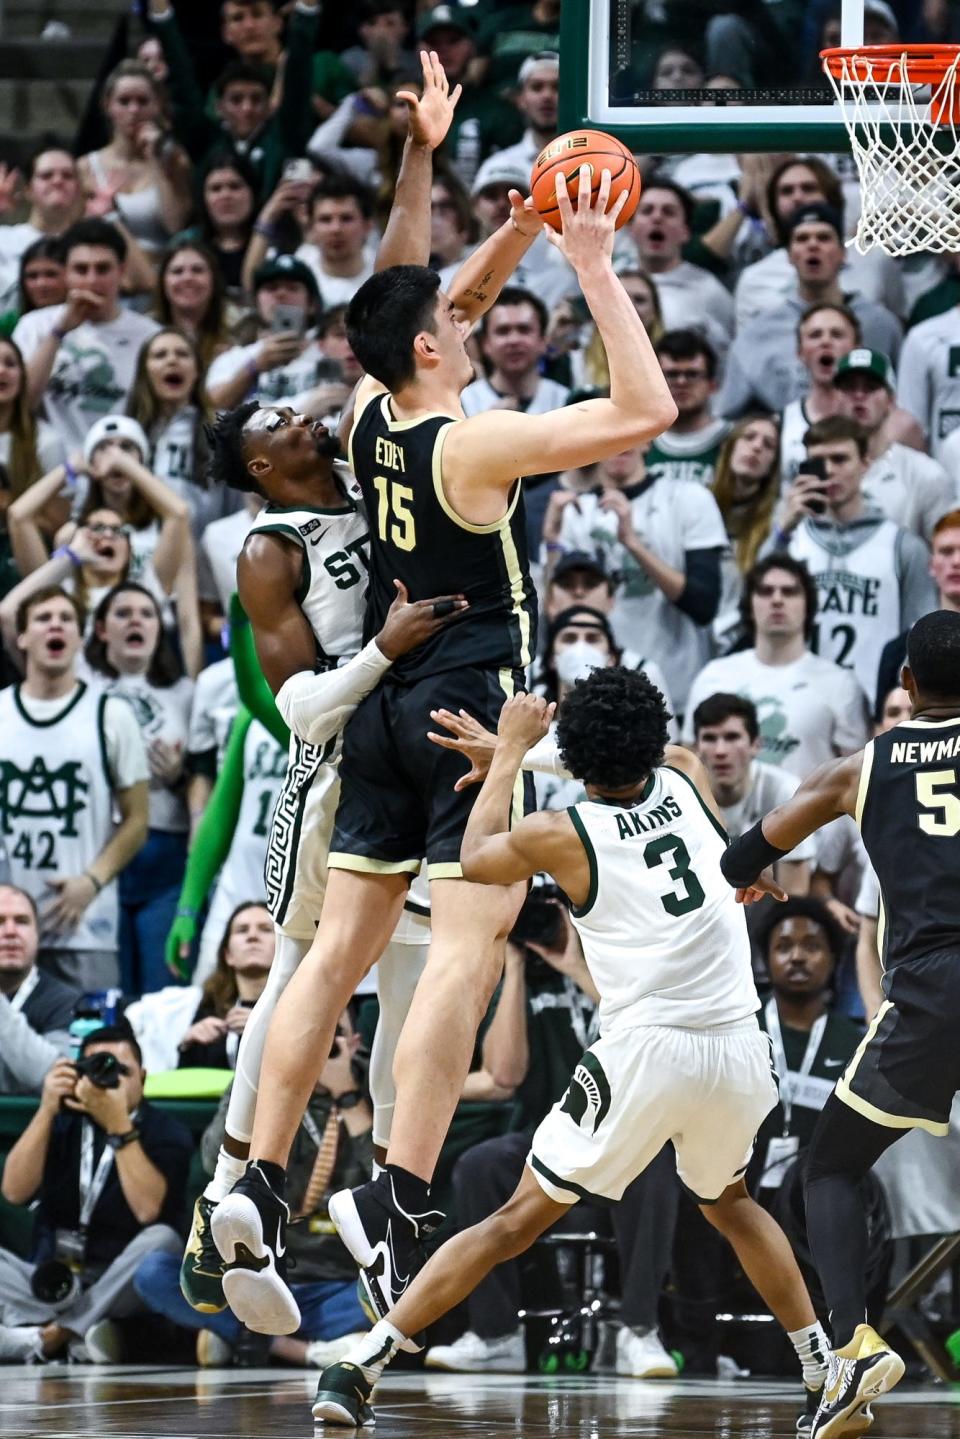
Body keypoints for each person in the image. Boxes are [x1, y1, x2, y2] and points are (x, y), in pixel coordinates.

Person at [212, 165, 677, 1338]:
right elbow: (646, 412)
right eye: (450, 328)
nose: (465, 328)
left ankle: (259, 1175)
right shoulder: (476, 448)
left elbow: (430, 296)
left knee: (327, 959)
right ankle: (398, 1190)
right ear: (428, 350)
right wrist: (590, 266)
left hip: (381, 705)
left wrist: (514, 227)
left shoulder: (366, 414)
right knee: (466, 953)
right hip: (472, 713)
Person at [310, 672, 830, 1430]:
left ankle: (364, 1362)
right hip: (739, 1046)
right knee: (732, 1201)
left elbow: (476, 851)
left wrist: (510, 752)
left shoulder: (563, 833)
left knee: (514, 1219)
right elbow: (623, 761)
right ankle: (822, 1363)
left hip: (646, 1050)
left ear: (576, 758)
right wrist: (522, 751)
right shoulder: (686, 770)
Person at [179, 63, 467, 1320]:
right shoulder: (266, 550)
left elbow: (397, 293)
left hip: (413, 744)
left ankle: (381, 1214)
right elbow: (294, 711)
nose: (304, 406)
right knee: (302, 977)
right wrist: (391, 647)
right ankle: (232, 1199)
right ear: (258, 463)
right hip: (333, 760)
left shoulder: (361, 451)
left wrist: (419, 157)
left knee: (417, 993)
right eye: (278, 414)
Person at [717, 607, 960, 1438]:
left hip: (929, 994)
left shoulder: (867, 764)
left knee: (831, 1165)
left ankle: (853, 1342)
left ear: (904, 685)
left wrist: (759, 874)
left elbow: (744, 852)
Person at [135, 1005, 371, 1368]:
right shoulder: (265, 1090)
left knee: (397, 1292)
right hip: (255, 1275)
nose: (321, 1041)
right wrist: (254, 1078)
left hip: (334, 1282)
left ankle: (247, 1336)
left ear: (354, 1043)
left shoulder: (372, 1089)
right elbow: (216, 1158)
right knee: (154, 1274)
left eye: (334, 1031)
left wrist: (347, 1096)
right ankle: (300, 1349)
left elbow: (383, 1177)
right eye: (313, 1029)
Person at [0, 1024, 192, 1364]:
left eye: (121, 1070)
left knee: (161, 1240)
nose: (109, 1078)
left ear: (143, 1079)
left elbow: (147, 1211)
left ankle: (51, 1336)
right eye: (97, 1069)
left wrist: (119, 1125)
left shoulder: (167, 1131)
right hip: (53, 1282)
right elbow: (14, 1192)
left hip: (119, 1286)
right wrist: (46, 1110)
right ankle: (77, 1332)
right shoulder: (62, 1121)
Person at [0, 586, 149, 990]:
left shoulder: (111, 714)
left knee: (86, 1044)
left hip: (85, 924)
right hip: (6, 925)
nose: (56, 626)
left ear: (80, 637)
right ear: (22, 637)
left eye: (66, 619)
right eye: (44, 619)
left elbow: (138, 820)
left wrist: (92, 881)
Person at [550, 435, 726, 714]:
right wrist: (551, 542)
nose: (619, 441)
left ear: (648, 442)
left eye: (630, 432)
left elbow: (703, 605)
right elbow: (557, 613)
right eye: (609, 433)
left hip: (674, 683)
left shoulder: (689, 498)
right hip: (595, 691)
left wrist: (632, 543)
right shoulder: (575, 511)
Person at [771, 416, 936, 702]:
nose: (830, 471)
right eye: (820, 461)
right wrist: (782, 531)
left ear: (866, 463)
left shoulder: (903, 546)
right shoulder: (792, 539)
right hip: (799, 700)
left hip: (875, 700)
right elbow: (752, 606)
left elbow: (919, 636)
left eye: (840, 459)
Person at [82, 583, 194, 997]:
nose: (135, 620)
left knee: (161, 992)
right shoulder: (78, 682)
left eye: (146, 613)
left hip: (166, 856)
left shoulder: (184, 692)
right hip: (99, 851)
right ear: (100, 628)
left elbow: (207, 792)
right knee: (107, 990)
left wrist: (181, 777)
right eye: (123, 613)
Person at [683, 554, 869, 778]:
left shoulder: (840, 684)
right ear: (749, 604)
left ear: (808, 605)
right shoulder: (713, 676)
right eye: (765, 591)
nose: (777, 600)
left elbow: (855, 778)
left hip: (811, 812)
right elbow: (689, 766)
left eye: (789, 592)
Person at [718, 207, 903, 418]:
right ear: (789, 255)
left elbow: (903, 403)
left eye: (824, 238)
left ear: (843, 254)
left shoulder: (881, 325)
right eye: (802, 239)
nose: (813, 245)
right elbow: (730, 416)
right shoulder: (757, 334)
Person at [145, 0, 320, 204]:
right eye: (236, 100)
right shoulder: (207, 143)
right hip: (208, 235)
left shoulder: (283, 138)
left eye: (256, 99)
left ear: (269, 106)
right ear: (219, 107)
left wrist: (306, 13)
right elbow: (182, 82)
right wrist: (162, 15)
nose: (247, 108)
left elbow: (298, 73)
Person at [12, 219, 160, 451]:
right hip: (52, 467)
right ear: (66, 273)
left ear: (121, 271)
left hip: (123, 467)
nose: (92, 280)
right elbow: (19, 406)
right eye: (81, 269)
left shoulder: (150, 335)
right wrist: (58, 332)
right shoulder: (35, 326)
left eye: (102, 269)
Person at [166, 709, 286, 981]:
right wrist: (188, 908)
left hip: (305, 898)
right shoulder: (251, 713)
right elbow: (221, 812)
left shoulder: (338, 702)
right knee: (209, 1007)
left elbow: (252, 690)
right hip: (238, 889)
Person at [692, 693, 815, 894]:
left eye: (732, 737)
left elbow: (793, 895)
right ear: (697, 747)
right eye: (709, 738)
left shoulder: (784, 790)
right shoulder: (681, 794)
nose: (720, 751)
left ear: (756, 745)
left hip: (768, 917)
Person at [832, 348, 954, 543]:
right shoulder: (816, 470)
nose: (859, 395)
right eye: (849, 387)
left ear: (891, 400)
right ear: (835, 399)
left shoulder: (926, 475)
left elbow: (948, 553)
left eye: (871, 387)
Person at [78, 60, 193, 259]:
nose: (134, 110)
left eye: (142, 101)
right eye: (124, 101)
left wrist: (157, 161)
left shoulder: (175, 158)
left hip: (163, 269)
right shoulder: (85, 167)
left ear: (157, 105)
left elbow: (175, 225)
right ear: (108, 106)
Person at [628, 177, 734, 350]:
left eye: (669, 212)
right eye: (647, 211)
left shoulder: (710, 292)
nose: (657, 218)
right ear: (631, 228)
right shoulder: (611, 282)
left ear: (685, 232)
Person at [875, 508, 960, 714]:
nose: (957, 562)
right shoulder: (897, 651)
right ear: (931, 565)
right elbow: (882, 728)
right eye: (946, 551)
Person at [0, 884, 80, 1098]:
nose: (10, 931)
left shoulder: (66, 1002)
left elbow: (54, 1077)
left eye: (22, 921)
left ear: (38, 935)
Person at [709, 414, 781, 645]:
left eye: (768, 445)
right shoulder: (696, 503)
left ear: (773, 465)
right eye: (749, 438)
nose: (757, 447)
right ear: (728, 448)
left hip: (741, 638)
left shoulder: (776, 520)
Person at [177, 902, 275, 1069]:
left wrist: (265, 1032)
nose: (252, 936)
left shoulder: (302, 1004)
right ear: (228, 955)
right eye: (242, 930)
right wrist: (188, 1046)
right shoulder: (211, 1006)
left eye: (265, 929)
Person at [778, 304, 859, 484]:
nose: (825, 342)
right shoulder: (780, 426)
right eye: (815, 335)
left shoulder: (874, 422)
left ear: (855, 348)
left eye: (837, 334)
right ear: (800, 352)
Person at [461, 287, 569, 417]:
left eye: (524, 329)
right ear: (485, 344)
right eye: (503, 331)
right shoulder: (464, 404)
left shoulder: (566, 402)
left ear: (543, 340)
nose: (514, 340)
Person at [0, 146, 83, 313]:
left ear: (78, 188)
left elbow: (142, 281)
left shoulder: (90, 244)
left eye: (67, 176)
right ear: (28, 189)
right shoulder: (3, 238)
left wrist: (111, 218)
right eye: (46, 176)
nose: (58, 181)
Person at [645, 330, 728, 487]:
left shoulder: (732, 441)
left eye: (692, 374)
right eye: (671, 374)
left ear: (712, 385)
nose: (681, 382)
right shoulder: (639, 442)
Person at [294, 175, 375, 308]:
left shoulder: (384, 273)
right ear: (310, 227)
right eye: (325, 219)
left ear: (367, 225)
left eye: (346, 218)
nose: (336, 229)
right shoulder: (296, 272)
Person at [153, 241, 234, 371]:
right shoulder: (146, 331)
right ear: (163, 283)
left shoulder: (240, 327)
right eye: (177, 271)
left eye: (197, 270)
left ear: (213, 279)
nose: (188, 278)